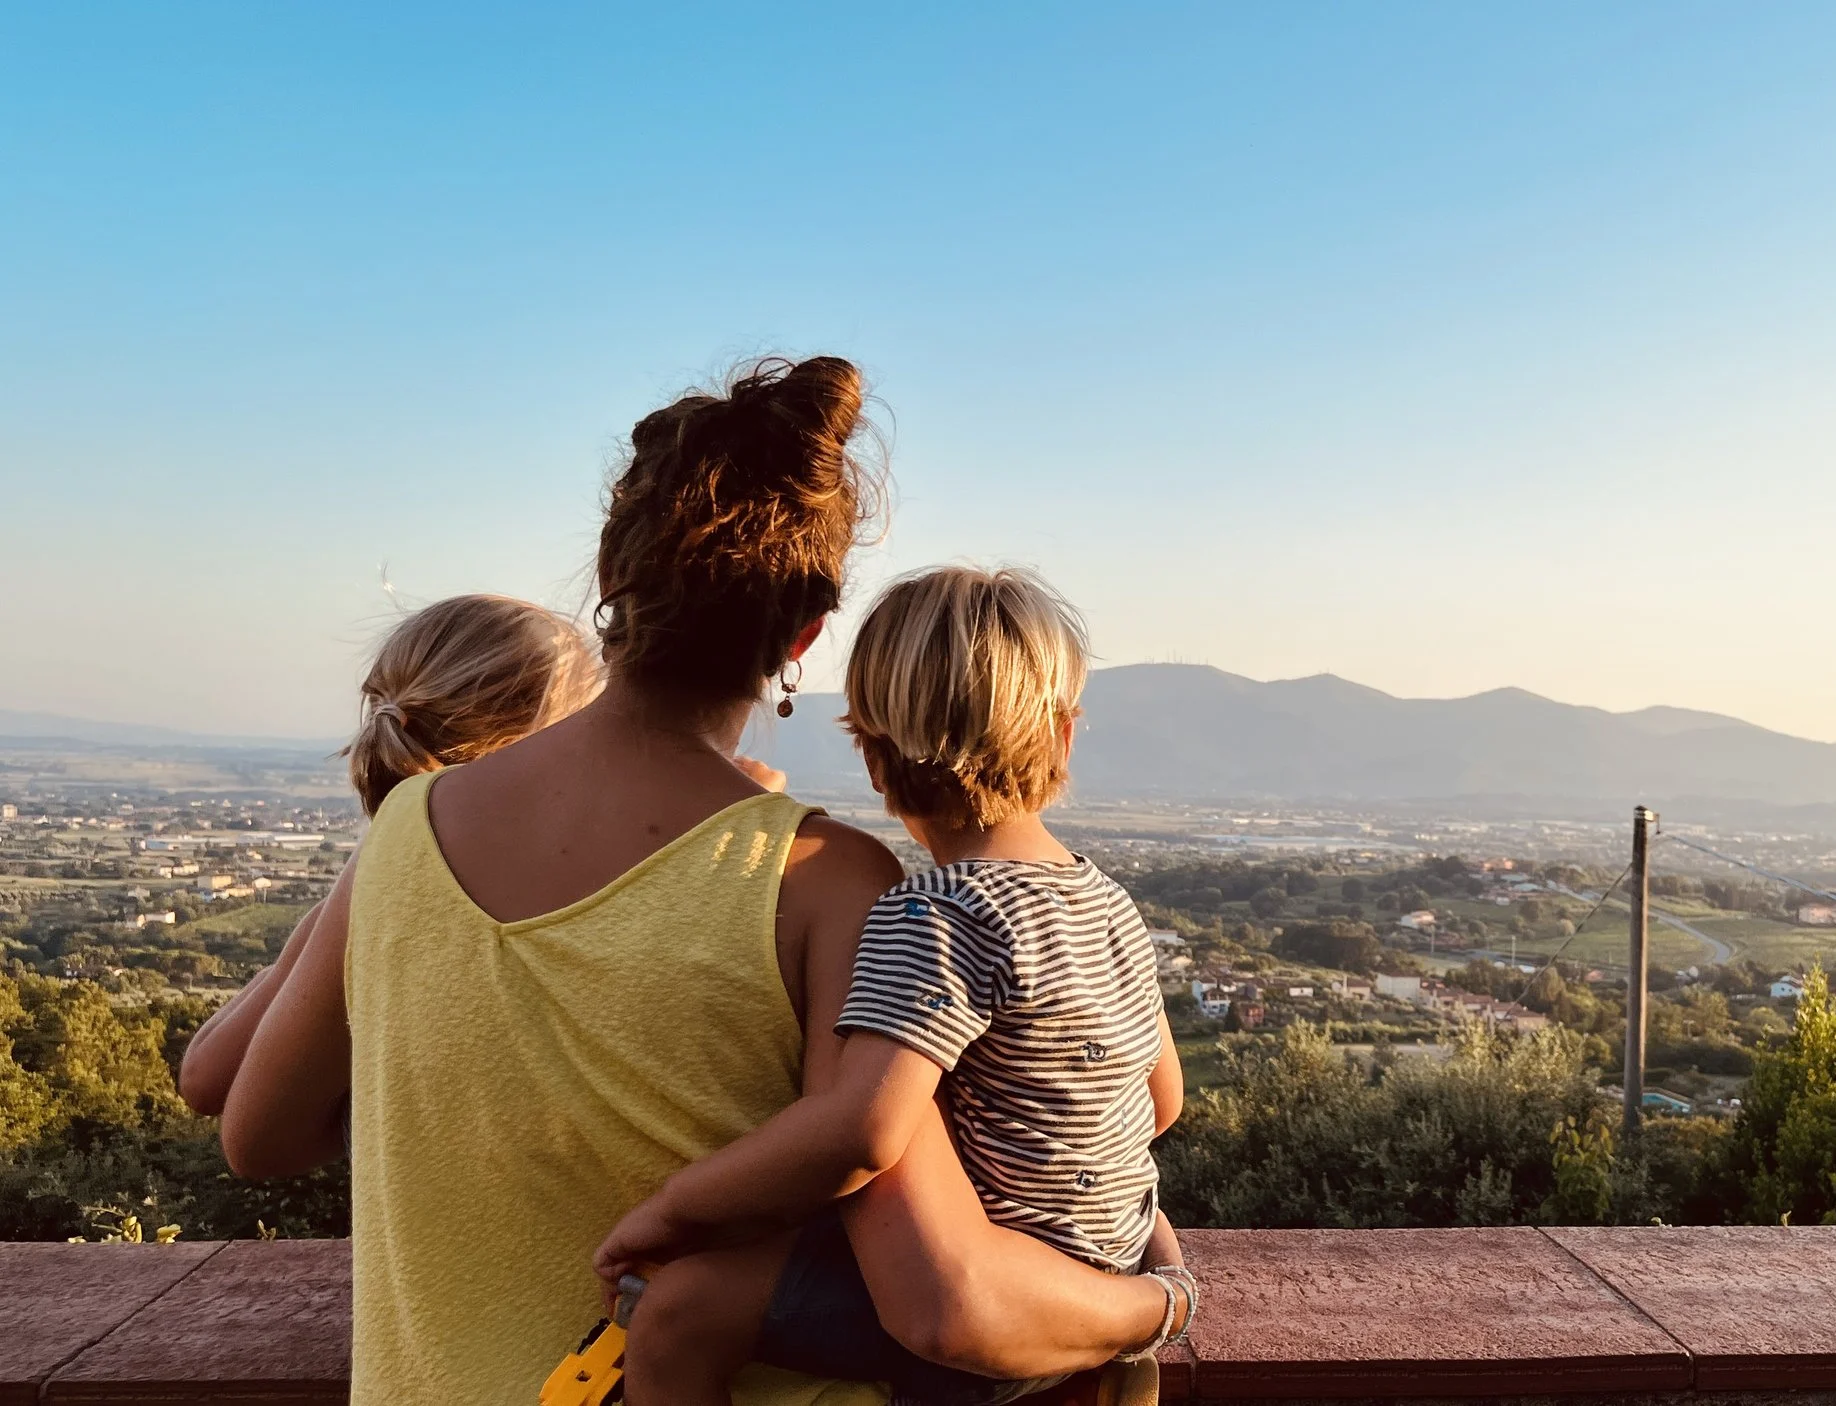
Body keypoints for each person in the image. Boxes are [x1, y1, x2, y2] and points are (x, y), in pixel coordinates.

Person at [220, 358, 1178, 1406]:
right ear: (806, 635)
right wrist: (1155, 1295)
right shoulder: (828, 881)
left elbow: (257, 1134)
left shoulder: (403, 829)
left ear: (610, 583)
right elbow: (945, 1282)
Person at [596, 567, 1195, 1406]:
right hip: (1102, 1282)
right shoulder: (1105, 900)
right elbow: (1161, 1101)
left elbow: (863, 1132)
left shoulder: (936, 913)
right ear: (1062, 736)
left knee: (681, 1314)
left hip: (998, 1309)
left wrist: (675, 1210)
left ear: (871, 754)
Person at [178, 592, 600, 1116]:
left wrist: (311, 940)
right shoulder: (585, 880)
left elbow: (203, 1075)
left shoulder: (395, 881)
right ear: (542, 737)